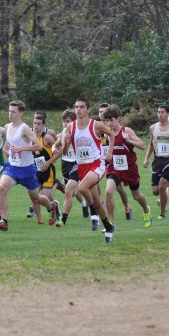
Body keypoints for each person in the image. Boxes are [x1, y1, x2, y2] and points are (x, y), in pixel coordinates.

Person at [0, 101, 59, 231]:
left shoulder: (25, 128)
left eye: (13, 112)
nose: (10, 114)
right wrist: (5, 150)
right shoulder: (8, 127)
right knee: (2, 187)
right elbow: (9, 143)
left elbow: (38, 146)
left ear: (21, 113)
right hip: (12, 167)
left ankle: (52, 207)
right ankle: (4, 221)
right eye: (9, 111)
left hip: (27, 170)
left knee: (36, 198)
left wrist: (21, 149)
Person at [64, 98, 117, 242]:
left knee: (81, 188)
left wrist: (110, 152)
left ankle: (92, 210)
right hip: (82, 165)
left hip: (97, 164)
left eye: (81, 107)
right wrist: (65, 141)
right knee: (99, 202)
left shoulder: (96, 125)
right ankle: (108, 226)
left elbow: (112, 135)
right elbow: (63, 150)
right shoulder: (71, 127)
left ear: (88, 110)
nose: (78, 110)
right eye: (76, 107)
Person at [102, 105, 151, 226]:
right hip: (114, 168)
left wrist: (129, 140)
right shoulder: (107, 134)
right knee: (108, 191)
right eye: (106, 120)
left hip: (130, 169)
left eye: (111, 120)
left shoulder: (126, 131)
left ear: (118, 118)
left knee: (136, 196)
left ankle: (146, 210)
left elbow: (142, 145)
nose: (109, 123)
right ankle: (111, 223)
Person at [46, 109, 92, 227]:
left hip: (77, 163)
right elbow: (55, 145)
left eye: (67, 121)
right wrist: (55, 150)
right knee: (72, 191)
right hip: (65, 164)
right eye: (63, 121)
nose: (65, 124)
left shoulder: (78, 132)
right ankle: (84, 204)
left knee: (69, 191)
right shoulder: (62, 133)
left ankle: (63, 218)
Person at [98, 103, 133, 220]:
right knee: (94, 181)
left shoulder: (112, 128)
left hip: (113, 160)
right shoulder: (96, 127)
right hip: (99, 160)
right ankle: (100, 204)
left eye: (104, 112)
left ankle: (127, 206)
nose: (102, 114)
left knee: (118, 188)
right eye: (100, 112)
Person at [32, 112, 59, 224]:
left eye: (39, 124)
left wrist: (49, 162)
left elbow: (59, 151)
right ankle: (40, 220)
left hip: (49, 172)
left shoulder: (47, 137)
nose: (36, 126)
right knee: (34, 197)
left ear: (43, 126)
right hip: (36, 172)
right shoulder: (31, 138)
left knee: (44, 198)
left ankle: (53, 206)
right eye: (34, 123)